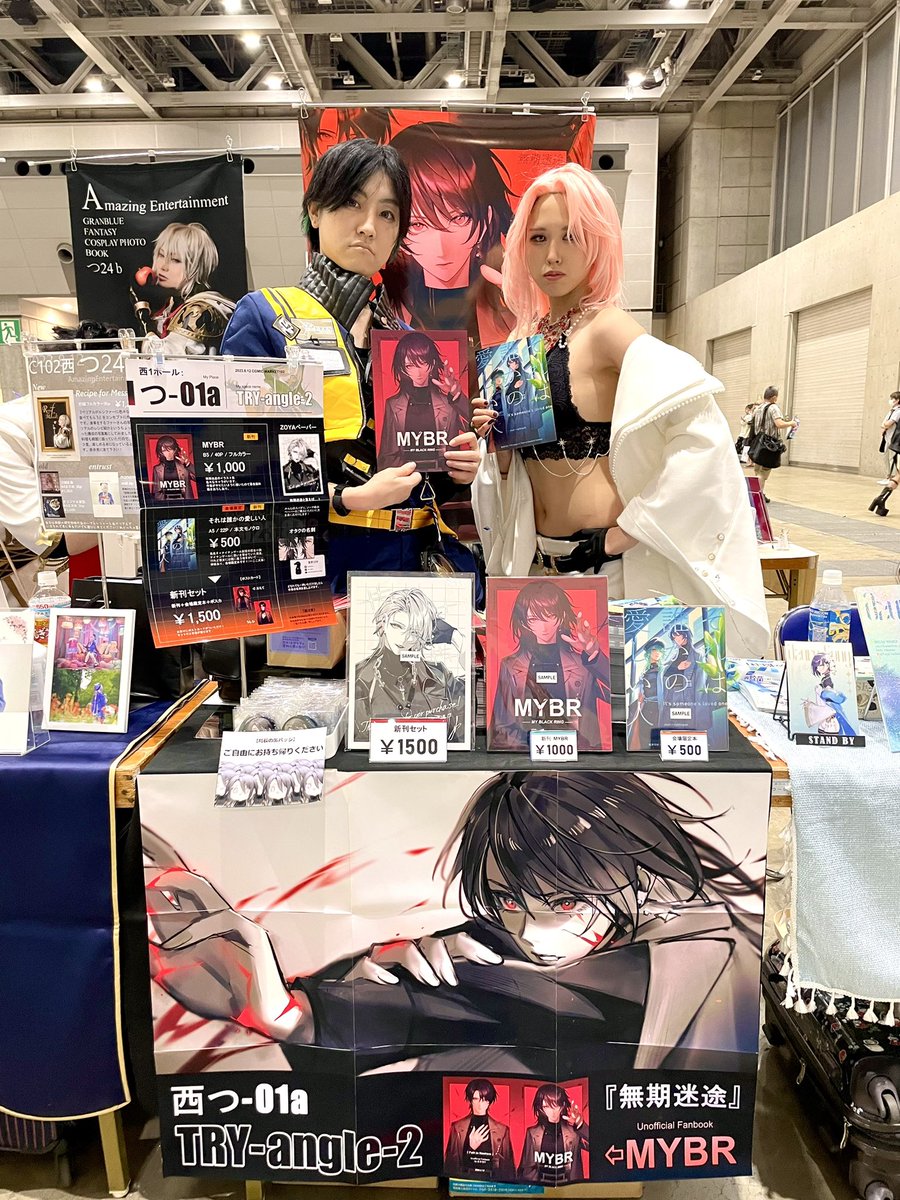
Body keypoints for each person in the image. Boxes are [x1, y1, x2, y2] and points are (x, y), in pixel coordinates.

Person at [144, 770, 764, 1077]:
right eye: (508, 899)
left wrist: (292, 1014)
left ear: (634, 871)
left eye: (565, 900)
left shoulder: (704, 948)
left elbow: (517, 1000)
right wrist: (305, 1006)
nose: (529, 931)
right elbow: (462, 995)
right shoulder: (494, 944)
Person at [471, 163, 768, 657]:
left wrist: (625, 533)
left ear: (598, 241)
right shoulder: (521, 341)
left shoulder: (608, 329)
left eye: (571, 236)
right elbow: (517, 472)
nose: (552, 254)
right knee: (545, 700)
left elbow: (700, 430)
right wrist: (497, 448)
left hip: (605, 573)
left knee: (606, 705)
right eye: (539, 238)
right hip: (537, 567)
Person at [220, 139, 481, 597]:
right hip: (322, 567)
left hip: (418, 562)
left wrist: (456, 467)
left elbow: (420, 469)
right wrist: (347, 498)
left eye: (387, 214)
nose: (368, 226)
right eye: (351, 203)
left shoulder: (406, 339)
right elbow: (236, 462)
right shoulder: (266, 317)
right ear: (315, 211)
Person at [382, 123, 515, 348]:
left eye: (458, 219)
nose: (441, 247)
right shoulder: (388, 305)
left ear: (487, 218)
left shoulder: (510, 302)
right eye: (418, 225)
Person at [489, 579, 610, 751]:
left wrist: (593, 655)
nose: (544, 627)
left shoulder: (584, 664)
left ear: (561, 617)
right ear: (523, 622)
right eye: (534, 619)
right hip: (527, 755)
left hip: (581, 756)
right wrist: (532, 746)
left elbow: (615, 696)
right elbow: (501, 729)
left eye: (550, 616)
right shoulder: (511, 666)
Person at [353, 587, 465, 743]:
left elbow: (463, 729)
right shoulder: (359, 676)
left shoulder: (439, 675)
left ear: (422, 635)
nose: (403, 638)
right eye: (397, 626)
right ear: (384, 623)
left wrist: (455, 637)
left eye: (413, 632)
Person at [131, 222, 235, 355]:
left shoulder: (200, 309)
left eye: (175, 260)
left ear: (197, 266)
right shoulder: (174, 304)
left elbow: (163, 357)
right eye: (161, 255)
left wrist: (143, 313)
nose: (163, 266)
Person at [378, 332, 471, 470]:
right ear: (403, 368)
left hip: (446, 475)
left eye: (422, 363)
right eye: (410, 366)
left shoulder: (449, 402)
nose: (418, 372)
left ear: (432, 364)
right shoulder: (393, 404)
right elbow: (388, 454)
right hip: (406, 476)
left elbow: (474, 428)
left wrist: (457, 396)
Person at [444, 1079, 515, 1181]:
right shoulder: (457, 1127)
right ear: (470, 1100)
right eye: (476, 1099)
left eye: (484, 1099)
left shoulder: (502, 1130)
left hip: (492, 1182)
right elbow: (451, 1164)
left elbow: (508, 1168)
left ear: (489, 1101)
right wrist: (471, 1147)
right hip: (465, 1180)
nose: (480, 1104)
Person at [518, 1084, 589, 1185]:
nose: (552, 1112)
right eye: (546, 1107)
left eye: (555, 1106)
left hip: (569, 1184)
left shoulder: (574, 1132)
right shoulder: (532, 1133)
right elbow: (527, 1167)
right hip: (541, 1184)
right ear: (541, 1108)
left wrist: (580, 1125)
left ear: (562, 1106)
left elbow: (598, 1147)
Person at [746, 386, 797, 500]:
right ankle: (758, 495)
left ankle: (758, 493)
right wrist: (791, 423)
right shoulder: (773, 407)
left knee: (758, 469)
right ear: (774, 397)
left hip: (758, 443)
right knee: (764, 472)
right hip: (768, 445)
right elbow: (779, 424)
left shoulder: (758, 408)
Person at [810, 652, 856, 735]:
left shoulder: (827, 680)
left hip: (829, 708)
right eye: (817, 666)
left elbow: (829, 696)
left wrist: (822, 692)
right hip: (827, 707)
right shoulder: (825, 679)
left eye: (821, 665)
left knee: (832, 728)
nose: (819, 668)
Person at [871, 392, 900, 516]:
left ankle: (880, 499)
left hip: (897, 445)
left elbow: (887, 424)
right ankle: (880, 499)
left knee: (898, 476)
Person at [151, 436, 196, 502]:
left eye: (170, 450)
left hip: (184, 501)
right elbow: (156, 491)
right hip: (166, 502)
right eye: (164, 451)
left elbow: (198, 478)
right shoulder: (157, 469)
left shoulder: (184, 467)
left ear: (175, 450)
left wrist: (188, 464)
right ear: (161, 452)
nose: (168, 453)